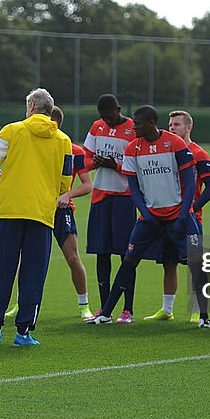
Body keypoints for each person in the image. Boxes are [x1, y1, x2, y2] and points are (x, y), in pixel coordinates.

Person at [85, 106, 210, 327]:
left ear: (151, 123)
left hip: (179, 216)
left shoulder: (175, 144)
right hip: (149, 218)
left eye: (138, 124)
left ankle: (204, 317)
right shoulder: (133, 148)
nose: (134, 127)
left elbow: (190, 182)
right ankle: (105, 313)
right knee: (129, 260)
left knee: (196, 261)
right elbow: (133, 186)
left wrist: (183, 215)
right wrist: (146, 214)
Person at [0, 88, 72, 346]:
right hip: (42, 214)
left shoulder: (12, 130)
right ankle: (24, 332)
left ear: (31, 105)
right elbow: (66, 182)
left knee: (0, 270)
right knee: (33, 273)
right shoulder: (63, 140)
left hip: (9, 210)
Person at [7, 106, 94, 320]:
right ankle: (21, 304)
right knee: (24, 259)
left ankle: (84, 305)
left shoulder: (74, 150)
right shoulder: (31, 146)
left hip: (61, 211)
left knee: (73, 257)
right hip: (35, 209)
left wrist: (67, 195)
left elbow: (87, 185)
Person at [142, 109, 210, 323]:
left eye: (177, 125)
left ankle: (198, 310)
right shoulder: (168, 151)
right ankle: (167, 309)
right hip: (168, 217)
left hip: (190, 218)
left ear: (188, 127)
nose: (172, 128)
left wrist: (193, 208)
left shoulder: (198, 153)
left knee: (195, 264)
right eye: (170, 124)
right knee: (169, 262)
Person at [83, 94, 137, 323]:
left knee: (127, 255)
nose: (107, 120)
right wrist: (94, 163)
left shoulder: (133, 128)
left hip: (124, 199)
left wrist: (114, 164)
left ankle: (128, 309)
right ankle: (105, 307)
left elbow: (137, 165)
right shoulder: (97, 127)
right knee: (101, 252)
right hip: (100, 197)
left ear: (119, 109)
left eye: (110, 115)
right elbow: (84, 159)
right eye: (103, 117)